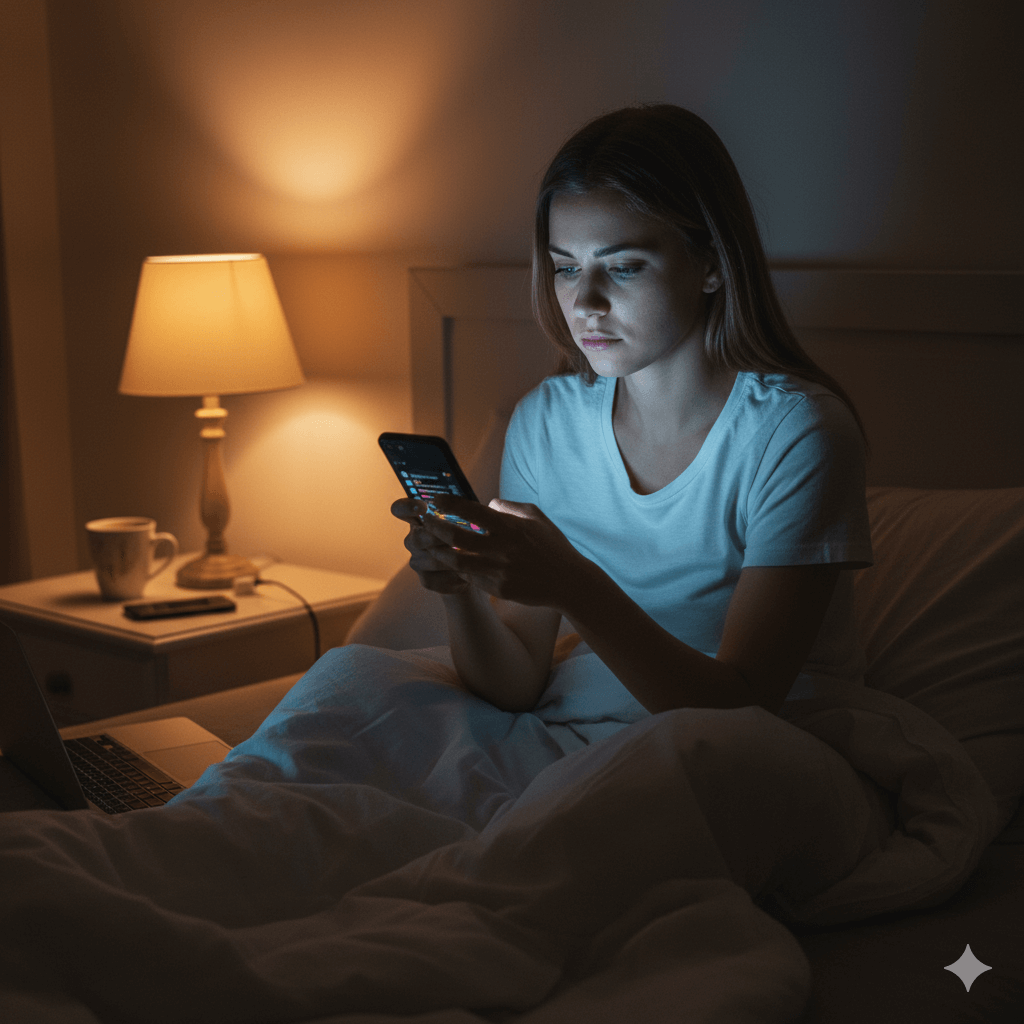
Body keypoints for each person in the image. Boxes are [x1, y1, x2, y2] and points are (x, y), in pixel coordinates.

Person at [392, 104, 872, 719]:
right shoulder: (545, 423)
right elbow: (514, 685)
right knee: (352, 689)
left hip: (756, 748)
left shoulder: (796, 432)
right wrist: (459, 589)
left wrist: (573, 584)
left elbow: (740, 709)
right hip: (590, 728)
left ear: (712, 265)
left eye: (622, 267)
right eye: (566, 267)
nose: (585, 301)